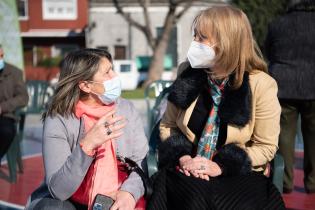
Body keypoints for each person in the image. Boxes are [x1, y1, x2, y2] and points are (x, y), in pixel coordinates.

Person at [148, 6, 285, 210]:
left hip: (237, 173)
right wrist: (184, 158)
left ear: (227, 42)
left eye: (201, 38)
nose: (194, 43)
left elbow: (266, 147)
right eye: (195, 36)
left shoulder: (261, 84)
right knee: (191, 199)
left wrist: (219, 166)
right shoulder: (188, 72)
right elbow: (168, 126)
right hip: (187, 169)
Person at [26, 49, 149, 210]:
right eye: (107, 73)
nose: (115, 76)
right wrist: (87, 146)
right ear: (85, 85)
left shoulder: (126, 109)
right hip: (72, 197)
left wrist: (129, 194)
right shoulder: (59, 118)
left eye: (112, 69)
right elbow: (59, 191)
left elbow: (141, 162)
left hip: (121, 193)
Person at [265, 0, 315, 194]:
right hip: (313, 85)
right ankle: (312, 183)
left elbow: (269, 52)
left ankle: (285, 181)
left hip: (283, 85)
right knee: (313, 136)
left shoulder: (277, 24)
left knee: (284, 136)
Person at [0, 44, 28, 164]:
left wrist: (2, 107)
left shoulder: (14, 72)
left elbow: (23, 97)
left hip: (6, 115)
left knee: (6, 132)